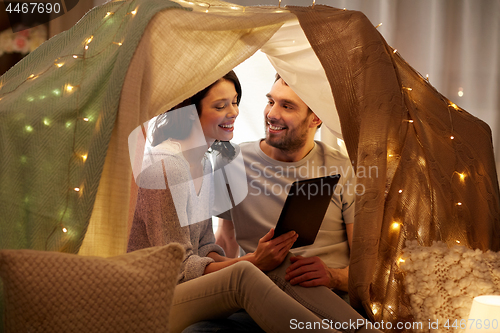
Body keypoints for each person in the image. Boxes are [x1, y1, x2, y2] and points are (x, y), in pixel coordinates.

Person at [127, 71, 373, 333]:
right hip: (158, 295)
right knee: (247, 273)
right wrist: (255, 261)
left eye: (235, 102)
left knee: (277, 262)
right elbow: (176, 268)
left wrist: (263, 261)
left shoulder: (204, 163)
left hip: (315, 292)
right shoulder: (169, 167)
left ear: (316, 117)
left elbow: (206, 247)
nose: (233, 112)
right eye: (221, 106)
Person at [183, 74, 358, 333]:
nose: (272, 114)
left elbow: (368, 265)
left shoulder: (343, 167)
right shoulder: (231, 161)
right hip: (259, 298)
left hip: (328, 299)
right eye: (270, 101)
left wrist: (333, 276)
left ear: (316, 118)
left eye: (287, 106)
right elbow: (226, 239)